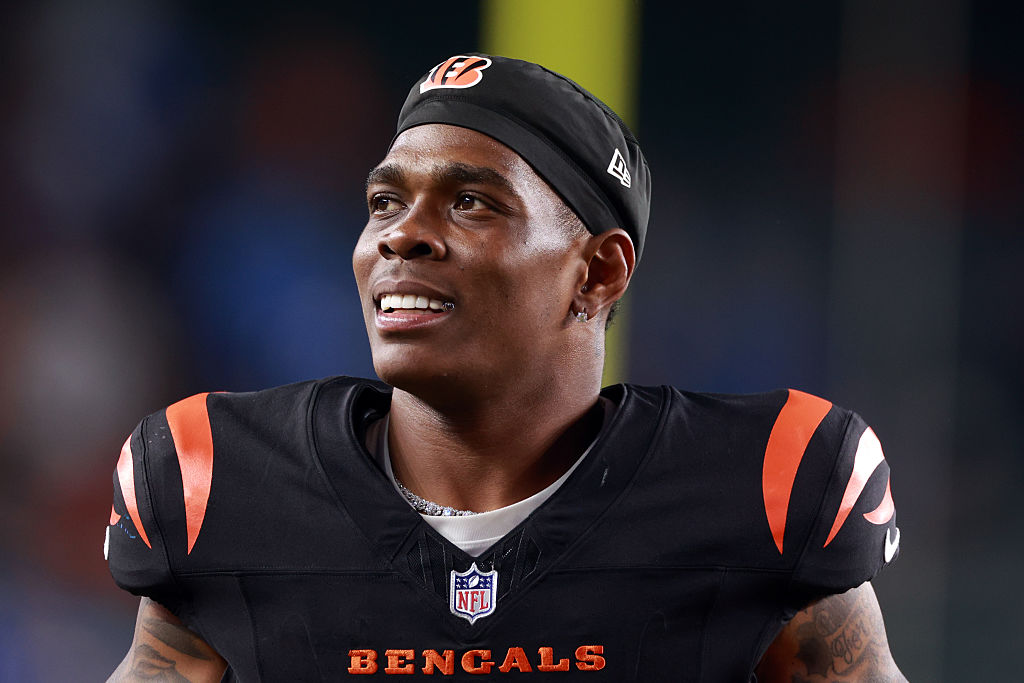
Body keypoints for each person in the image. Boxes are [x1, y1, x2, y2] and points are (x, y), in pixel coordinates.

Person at [106, 54, 906, 682]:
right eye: (385, 202)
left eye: (471, 202)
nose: (400, 234)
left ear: (597, 272)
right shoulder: (216, 482)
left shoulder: (765, 484)